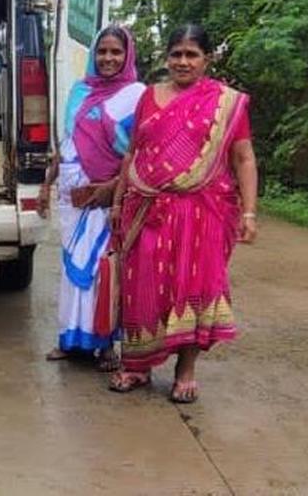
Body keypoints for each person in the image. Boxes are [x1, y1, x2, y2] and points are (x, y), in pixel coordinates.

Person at [108, 24, 259, 403]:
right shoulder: (148, 96)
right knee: (141, 285)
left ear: (206, 59)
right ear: (167, 58)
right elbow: (132, 153)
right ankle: (137, 365)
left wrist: (250, 213)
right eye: (176, 54)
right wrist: (116, 201)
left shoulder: (226, 103)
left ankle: (185, 371)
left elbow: (243, 157)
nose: (183, 61)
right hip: (146, 207)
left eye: (192, 54)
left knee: (192, 287)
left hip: (202, 210)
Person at [39, 27, 145, 370]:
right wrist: (46, 185)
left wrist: (113, 189)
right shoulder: (80, 91)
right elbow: (66, 144)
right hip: (73, 193)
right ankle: (71, 340)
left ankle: (105, 345)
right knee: (72, 269)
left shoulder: (137, 95)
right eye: (102, 52)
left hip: (108, 195)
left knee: (105, 269)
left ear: (127, 56)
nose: (108, 59)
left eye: (116, 52)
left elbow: (139, 153)